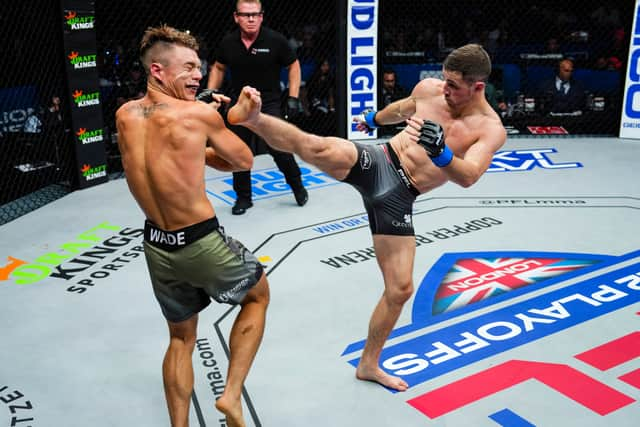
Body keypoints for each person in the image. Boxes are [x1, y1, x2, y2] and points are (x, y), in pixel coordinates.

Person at [226, 43, 506, 392]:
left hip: (401, 195)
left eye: (454, 85)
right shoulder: (430, 90)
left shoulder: (490, 128)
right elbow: (400, 110)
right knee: (318, 147)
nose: (445, 89)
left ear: (478, 86)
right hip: (380, 160)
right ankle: (254, 119)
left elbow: (468, 176)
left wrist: (442, 152)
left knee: (400, 289)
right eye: (444, 80)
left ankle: (368, 364)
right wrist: (373, 119)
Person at [115, 25, 270, 427]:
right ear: (157, 70)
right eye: (187, 67)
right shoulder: (198, 114)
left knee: (181, 338)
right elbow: (243, 161)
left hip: (157, 247)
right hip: (201, 241)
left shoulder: (125, 116)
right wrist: (231, 117)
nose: (198, 74)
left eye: (198, 67)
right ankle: (231, 396)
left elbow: (175, 158)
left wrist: (199, 119)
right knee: (257, 296)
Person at [207, 0, 308, 215]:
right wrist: (210, 92)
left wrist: (293, 97)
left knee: (280, 149)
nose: (251, 19)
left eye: (255, 14)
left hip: (268, 102)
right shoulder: (228, 42)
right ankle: (244, 197)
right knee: (237, 151)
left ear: (261, 16)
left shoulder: (275, 40)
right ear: (236, 17)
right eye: (245, 15)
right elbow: (218, 66)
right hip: (239, 103)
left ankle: (297, 186)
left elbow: (294, 65)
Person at [379, 69, 409, 136]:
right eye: (387, 81)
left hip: (397, 123)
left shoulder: (401, 92)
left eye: (392, 81)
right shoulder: (376, 94)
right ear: (382, 81)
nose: (390, 84)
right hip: (381, 124)